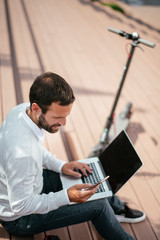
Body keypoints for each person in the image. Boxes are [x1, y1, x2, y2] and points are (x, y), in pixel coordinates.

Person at [0, 72, 144, 239]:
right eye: (58, 117)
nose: (63, 124)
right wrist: (66, 196)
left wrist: (62, 166)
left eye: (66, 116)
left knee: (85, 173)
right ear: (36, 108)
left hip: (33, 184)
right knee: (99, 207)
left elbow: (36, 150)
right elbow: (20, 206)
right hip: (21, 219)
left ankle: (115, 208)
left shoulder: (21, 111)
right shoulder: (23, 156)